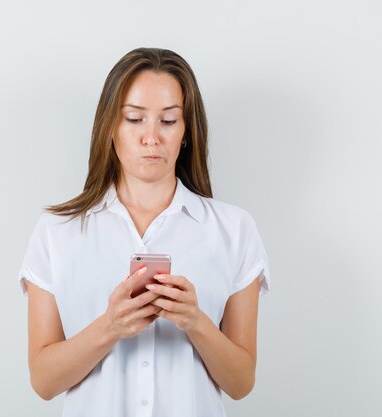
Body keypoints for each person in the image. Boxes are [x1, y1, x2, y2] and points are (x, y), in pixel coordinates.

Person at [17, 47, 271, 417]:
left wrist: (195, 322)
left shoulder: (234, 230)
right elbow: (43, 381)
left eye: (168, 121)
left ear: (186, 131)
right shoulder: (57, 231)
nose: (151, 138)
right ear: (110, 127)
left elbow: (241, 383)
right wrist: (109, 327)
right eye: (135, 119)